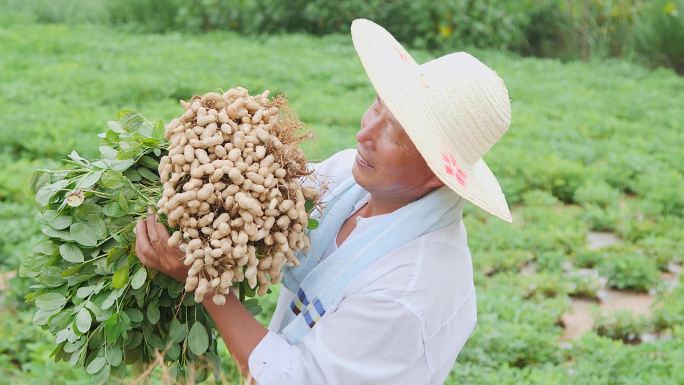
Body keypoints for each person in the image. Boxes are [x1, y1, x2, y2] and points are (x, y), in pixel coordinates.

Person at [135, 18, 512, 385]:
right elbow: (267, 201)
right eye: (378, 107)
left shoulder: (407, 292)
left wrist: (204, 282)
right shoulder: (354, 180)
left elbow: (296, 377)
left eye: (395, 135)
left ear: (436, 174)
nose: (365, 133)